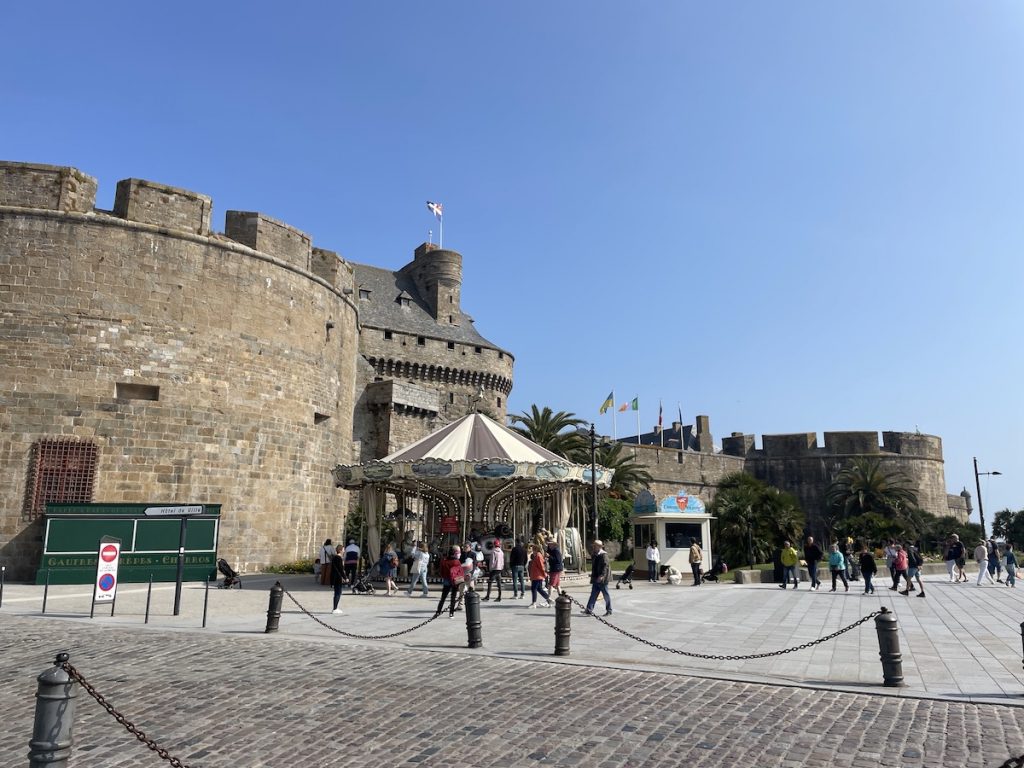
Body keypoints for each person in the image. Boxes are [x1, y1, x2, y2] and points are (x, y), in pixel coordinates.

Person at [583, 540, 612, 615]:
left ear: (599, 547)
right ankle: (589, 609)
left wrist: (602, 576)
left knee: (606, 594)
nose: (594, 547)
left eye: (595, 546)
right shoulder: (595, 554)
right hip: (596, 578)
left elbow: (605, 566)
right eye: (594, 546)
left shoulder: (603, 555)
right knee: (593, 594)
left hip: (602, 579)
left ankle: (609, 610)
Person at [435, 546, 462, 618]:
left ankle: (438, 612)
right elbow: (460, 572)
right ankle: (451, 613)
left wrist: (444, 576)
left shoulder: (444, 561)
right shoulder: (457, 562)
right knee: (453, 597)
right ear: (455, 553)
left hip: (446, 580)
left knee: (443, 597)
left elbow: (441, 571)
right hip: (454, 580)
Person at [527, 543, 551, 608]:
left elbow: (541, 566)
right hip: (536, 575)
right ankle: (548, 599)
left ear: (535, 550)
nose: (532, 551)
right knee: (539, 589)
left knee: (534, 588)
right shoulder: (537, 555)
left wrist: (544, 574)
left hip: (537, 576)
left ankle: (534, 603)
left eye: (533, 549)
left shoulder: (538, 556)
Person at [330, 544, 347, 614]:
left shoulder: (334, 557)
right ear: (340, 550)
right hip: (338, 577)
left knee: (337, 592)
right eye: (343, 549)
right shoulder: (339, 558)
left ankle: (335, 607)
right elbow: (340, 569)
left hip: (334, 577)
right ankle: (335, 608)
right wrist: (345, 577)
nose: (344, 550)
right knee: (338, 593)